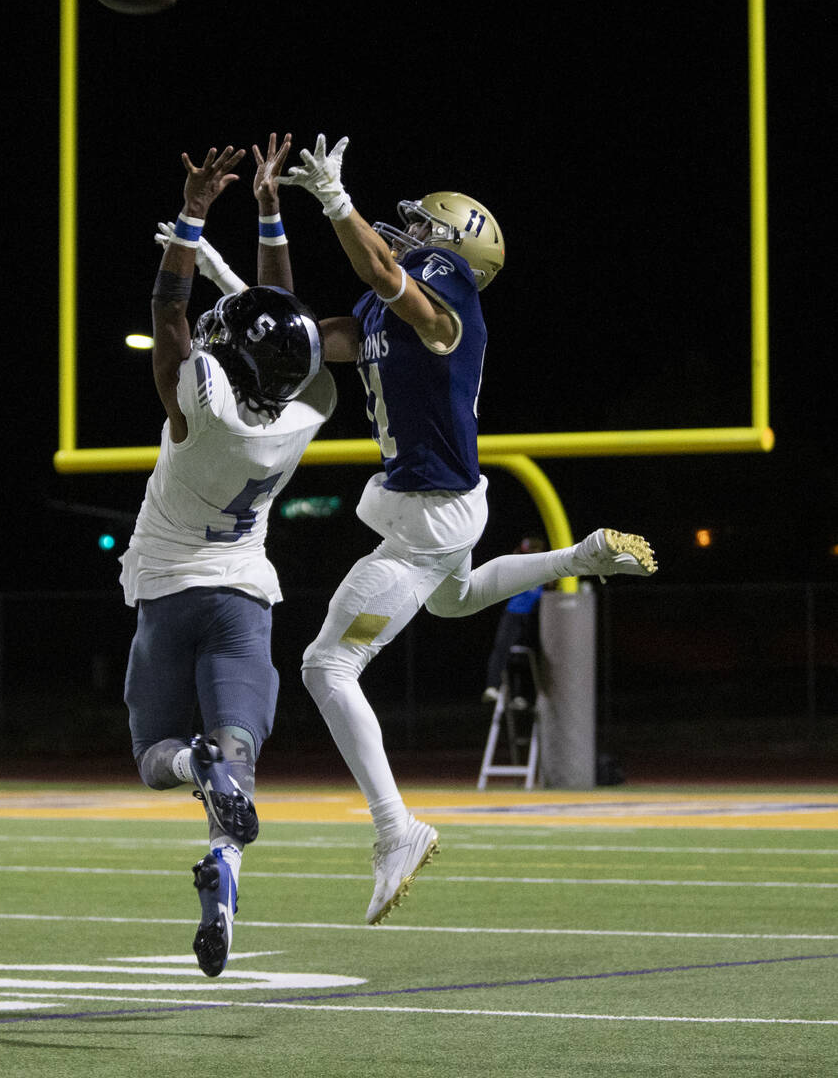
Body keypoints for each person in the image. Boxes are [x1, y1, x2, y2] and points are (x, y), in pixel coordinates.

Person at [278, 135, 658, 924]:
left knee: (325, 667)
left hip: (425, 514)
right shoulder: (391, 301)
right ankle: (582, 554)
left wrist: (335, 204)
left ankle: (396, 829)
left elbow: (387, 276)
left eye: (421, 229)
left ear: (449, 252)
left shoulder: (447, 306)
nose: (405, 232)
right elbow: (335, 339)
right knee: (451, 603)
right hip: (447, 507)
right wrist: (255, 328)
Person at [119, 135, 336, 977]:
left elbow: (170, 312)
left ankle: (192, 767)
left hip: (169, 595)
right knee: (238, 753)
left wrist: (194, 216)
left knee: (156, 759)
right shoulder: (302, 411)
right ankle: (224, 886)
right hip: (244, 596)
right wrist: (272, 211)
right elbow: (284, 324)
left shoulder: (198, 407)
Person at [482, 535, 547, 706]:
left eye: (535, 550)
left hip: (533, 617)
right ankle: (492, 686)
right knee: (502, 649)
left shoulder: (545, 567)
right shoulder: (519, 564)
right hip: (514, 613)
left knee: (525, 656)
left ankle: (521, 694)